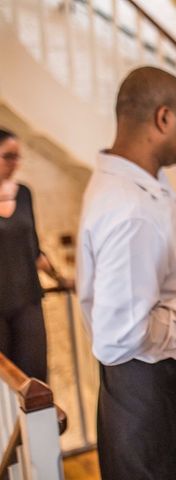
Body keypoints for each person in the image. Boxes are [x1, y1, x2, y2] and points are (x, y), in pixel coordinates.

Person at [76, 67, 176, 480]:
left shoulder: (141, 182)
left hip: (163, 392)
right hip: (158, 403)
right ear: (163, 118)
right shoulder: (129, 208)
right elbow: (119, 337)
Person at [0, 128, 70, 381]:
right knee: (5, 384)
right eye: (8, 156)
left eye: (18, 157)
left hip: (27, 301)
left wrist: (60, 279)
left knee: (36, 378)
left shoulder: (25, 194)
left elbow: (34, 250)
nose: (15, 164)